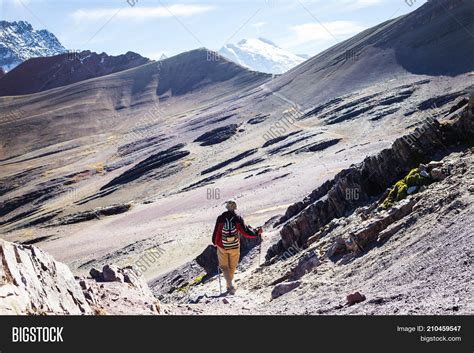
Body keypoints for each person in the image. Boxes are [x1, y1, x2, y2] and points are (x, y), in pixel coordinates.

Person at [212, 200, 263, 295]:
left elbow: (216, 232)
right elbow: (246, 232)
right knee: (232, 266)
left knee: (224, 266)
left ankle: (230, 285)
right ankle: (230, 285)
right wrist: (256, 233)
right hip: (235, 246)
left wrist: (215, 243)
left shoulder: (220, 218)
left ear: (227, 207)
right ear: (235, 208)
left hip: (222, 246)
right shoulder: (238, 218)